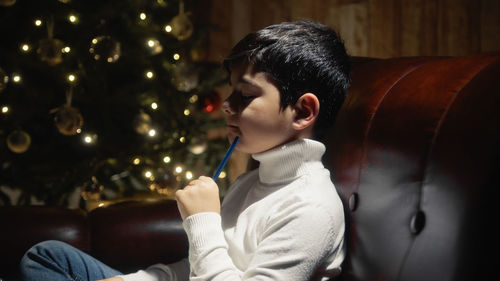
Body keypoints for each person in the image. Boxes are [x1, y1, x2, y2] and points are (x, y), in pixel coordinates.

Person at [20, 20, 351, 281]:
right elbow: (195, 270)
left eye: (246, 95)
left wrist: (204, 221)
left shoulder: (311, 209)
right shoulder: (250, 184)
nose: (226, 105)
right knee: (47, 255)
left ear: (304, 112)